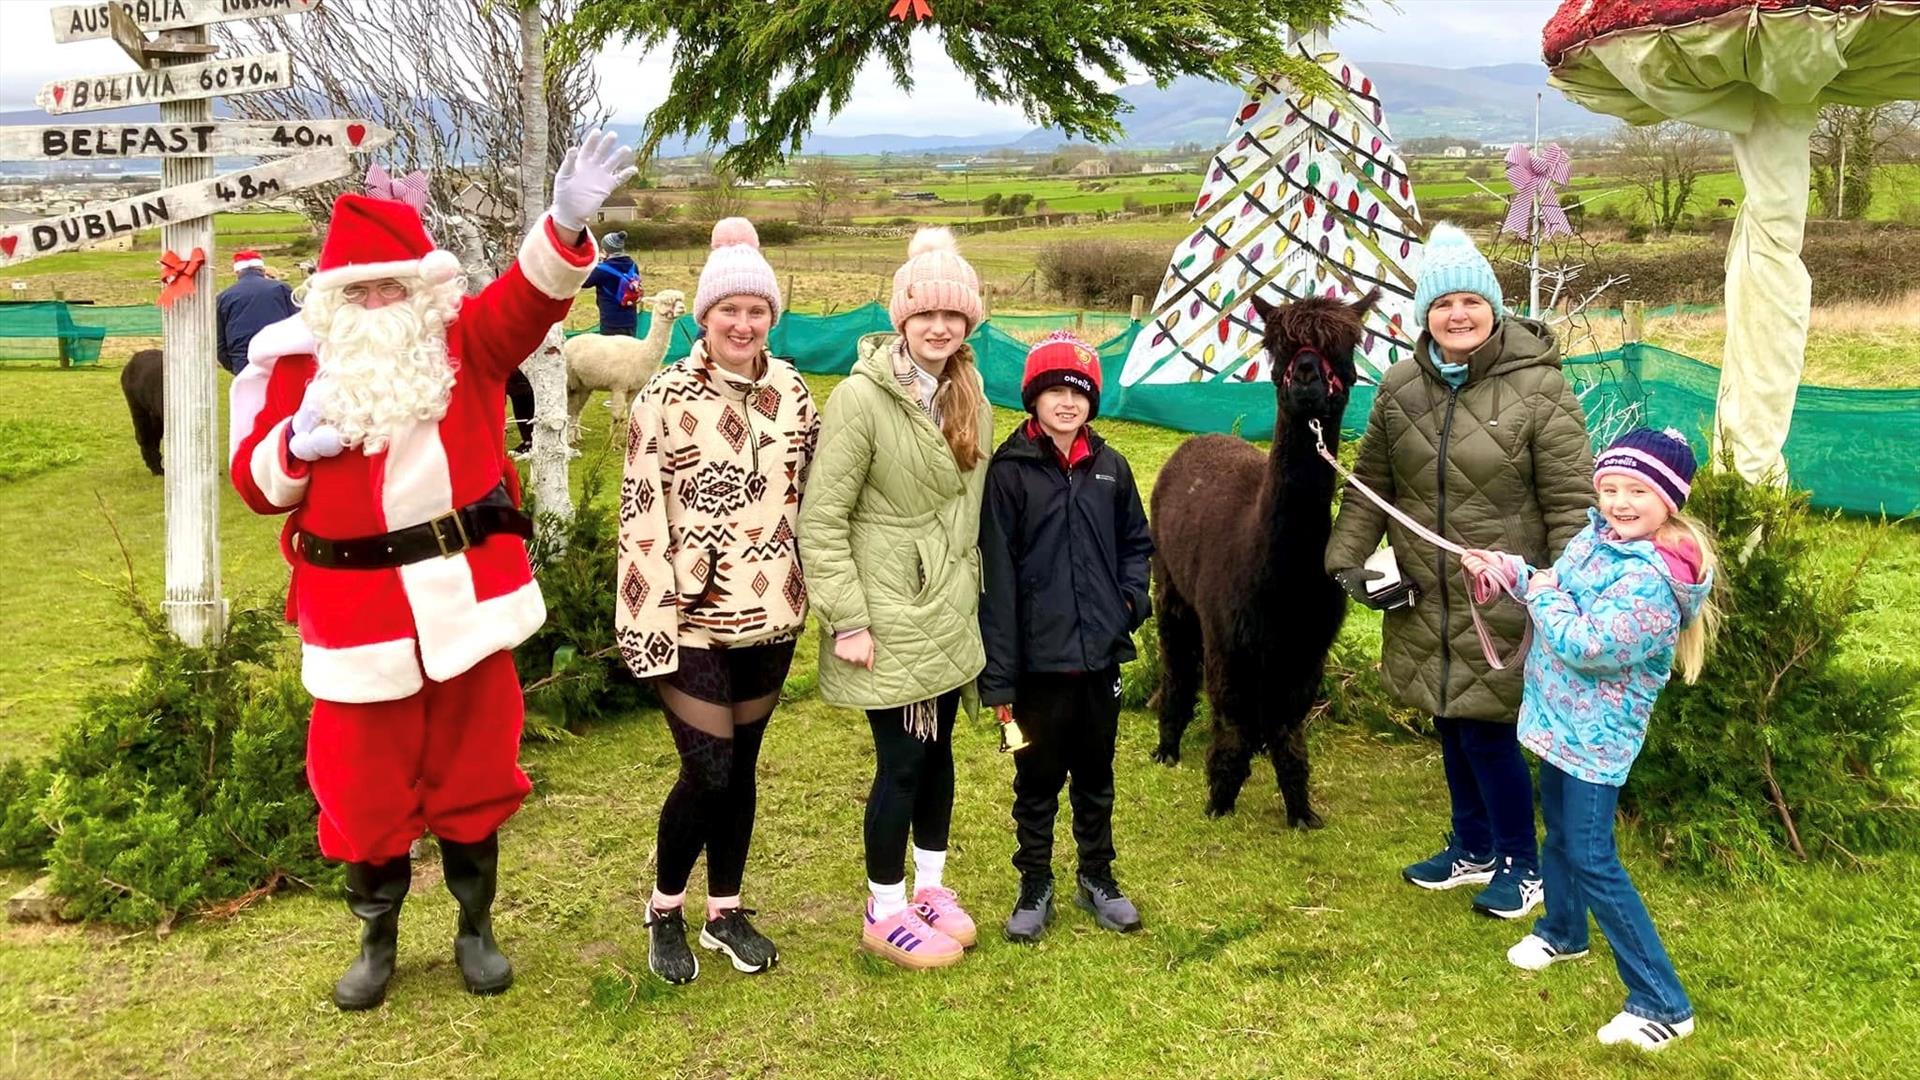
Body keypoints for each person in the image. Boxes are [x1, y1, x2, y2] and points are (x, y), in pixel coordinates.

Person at [229, 131, 633, 1011]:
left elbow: (529, 301)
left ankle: (475, 926)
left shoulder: (468, 349)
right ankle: (376, 939)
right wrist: (294, 445)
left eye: (394, 286)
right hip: (354, 614)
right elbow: (254, 485)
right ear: (333, 299)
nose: (378, 300)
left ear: (423, 290)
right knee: (359, 787)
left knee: (474, 769)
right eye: (360, 288)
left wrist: (563, 223)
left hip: (465, 603)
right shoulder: (293, 367)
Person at [1324, 222, 1593, 920]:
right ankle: (1472, 848)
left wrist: (1564, 588)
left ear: (1493, 308)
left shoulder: (1540, 390)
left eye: (1471, 302)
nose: (1458, 315)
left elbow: (1571, 502)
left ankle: (1521, 863)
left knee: (1488, 729)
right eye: (1443, 305)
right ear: (1424, 315)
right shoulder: (1401, 387)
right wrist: (1345, 559)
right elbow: (1371, 484)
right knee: (1448, 718)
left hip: (1502, 594)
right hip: (1422, 593)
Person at [1464, 427, 1717, 1052]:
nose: (1620, 501)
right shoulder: (1598, 538)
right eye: (1609, 488)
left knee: (1592, 855)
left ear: (1670, 500)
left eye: (1637, 490)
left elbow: (1587, 644)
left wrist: (1543, 595)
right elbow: (1557, 585)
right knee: (1559, 830)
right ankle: (1563, 930)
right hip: (1558, 722)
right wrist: (1513, 572)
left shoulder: (1654, 581)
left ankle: (1663, 1000)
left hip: (1598, 739)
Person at [617, 217, 819, 985]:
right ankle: (665, 909)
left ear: (772, 316)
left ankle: (724, 910)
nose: (742, 324)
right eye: (728, 310)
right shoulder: (663, 398)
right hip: (690, 615)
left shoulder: (795, 392)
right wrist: (646, 624)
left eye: (756, 310)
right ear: (703, 318)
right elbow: (640, 512)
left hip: (773, 613)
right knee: (708, 771)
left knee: (745, 768)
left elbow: (819, 497)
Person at [799, 227, 994, 970]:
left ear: (969, 322)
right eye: (925, 315)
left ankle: (931, 888)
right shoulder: (860, 399)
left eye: (953, 315)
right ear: (901, 320)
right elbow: (823, 518)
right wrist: (847, 618)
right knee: (902, 763)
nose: (939, 327)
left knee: (939, 752)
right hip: (889, 610)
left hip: (949, 605)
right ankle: (884, 907)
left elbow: (966, 513)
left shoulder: (968, 396)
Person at [977, 331, 1154, 943]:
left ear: (1091, 403)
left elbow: (1137, 544)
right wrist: (999, 675)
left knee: (1096, 776)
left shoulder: (1112, 468)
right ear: (1033, 399)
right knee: (1035, 780)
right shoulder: (1009, 473)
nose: (1066, 403)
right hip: (1035, 669)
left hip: (1099, 661)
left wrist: (1130, 602)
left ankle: (1098, 877)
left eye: (1078, 393)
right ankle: (1034, 883)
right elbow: (995, 576)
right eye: (1054, 391)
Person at [216, 248, 296, 375]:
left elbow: (220, 341)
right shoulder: (281, 289)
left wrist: (233, 365)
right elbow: (297, 323)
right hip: (279, 356)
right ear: (262, 270)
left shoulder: (224, 297)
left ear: (237, 272)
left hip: (243, 359)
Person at [585, 229, 643, 336]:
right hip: (631, 320)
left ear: (605, 249)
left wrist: (593, 264)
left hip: (611, 322)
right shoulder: (633, 265)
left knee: (612, 352)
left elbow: (584, 283)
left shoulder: (602, 269)